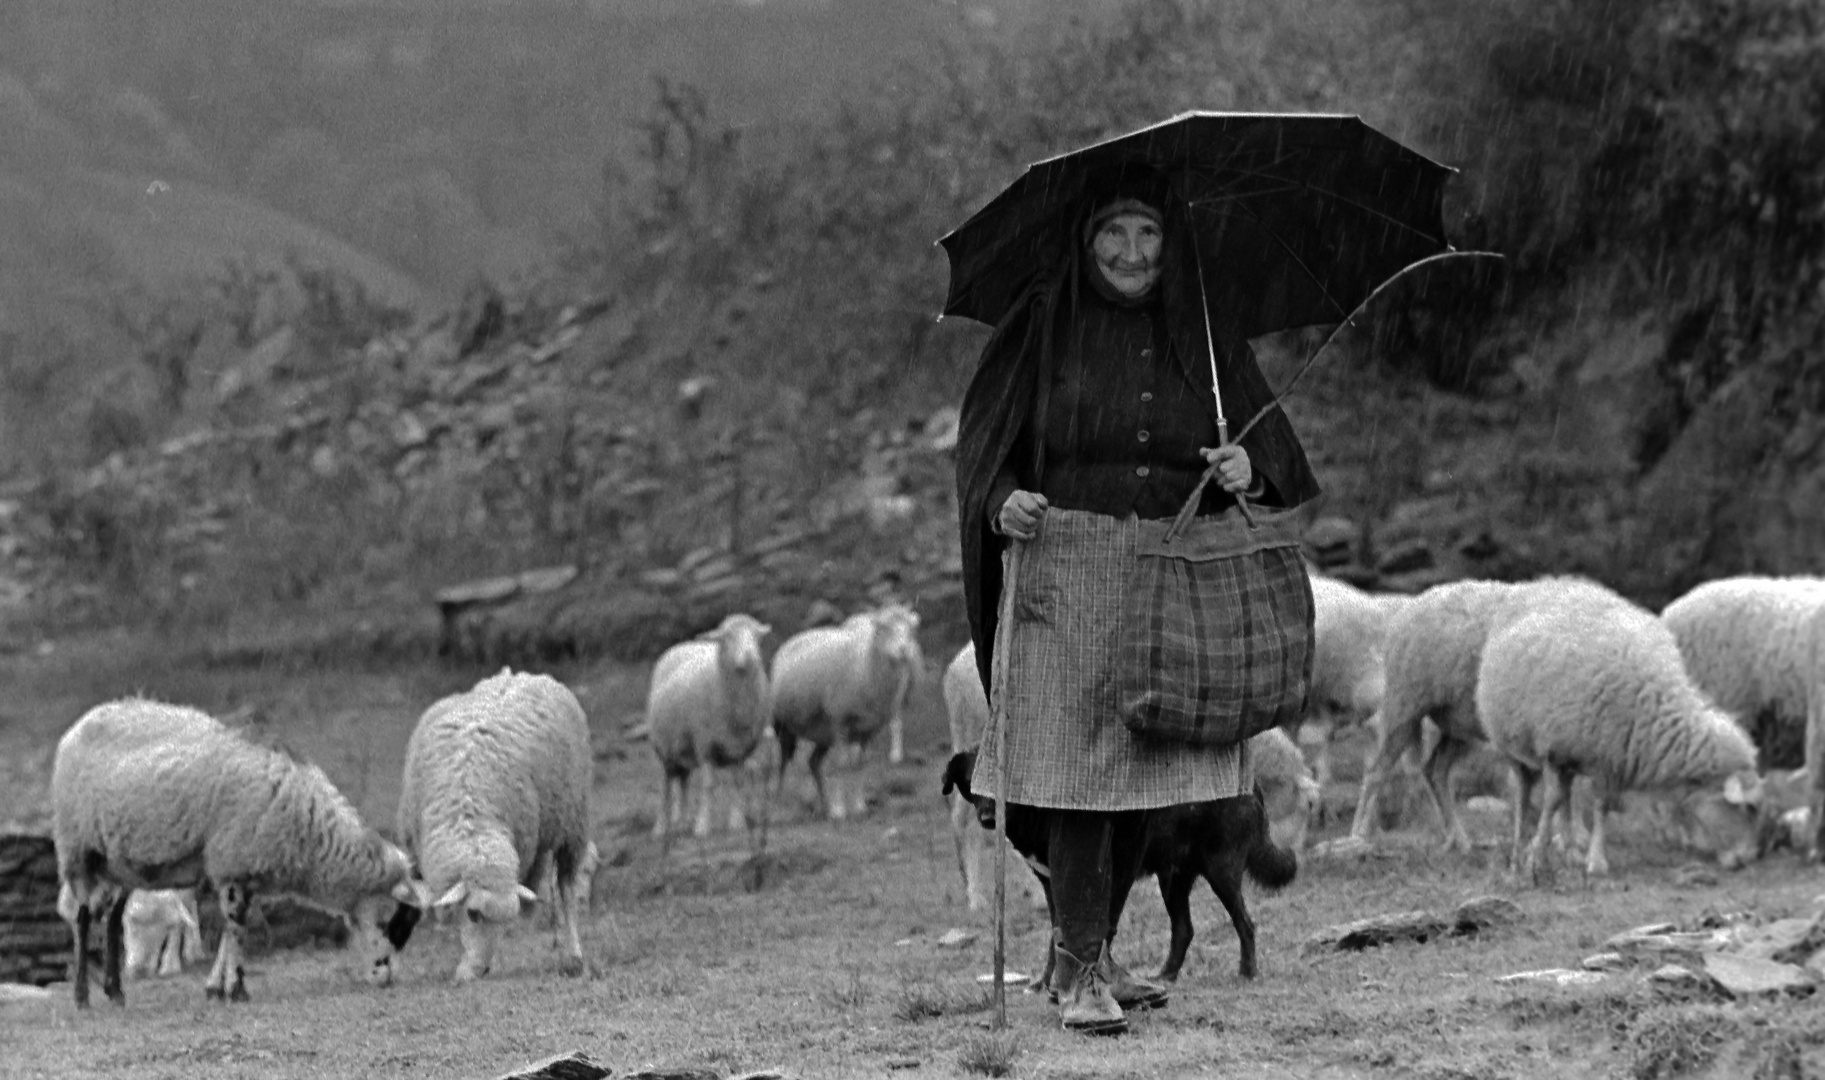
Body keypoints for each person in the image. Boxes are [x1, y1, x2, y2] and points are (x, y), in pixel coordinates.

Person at [953, 164, 1321, 1034]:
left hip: (1169, 572)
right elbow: (981, 450)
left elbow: (1269, 457)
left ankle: (1094, 953)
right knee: (1079, 774)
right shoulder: (1041, 326)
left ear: (1171, 243)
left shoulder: (1202, 331)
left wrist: (1245, 467)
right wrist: (1001, 497)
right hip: (1065, 570)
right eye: (1112, 234)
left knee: (1144, 776)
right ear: (1085, 242)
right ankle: (1078, 969)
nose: (1130, 252)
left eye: (1148, 234)